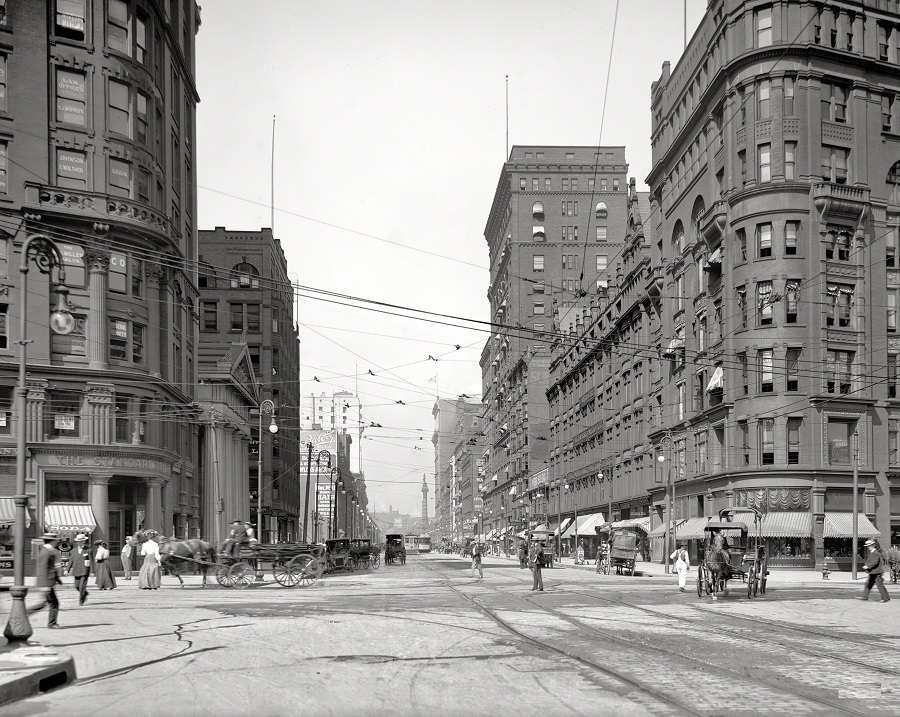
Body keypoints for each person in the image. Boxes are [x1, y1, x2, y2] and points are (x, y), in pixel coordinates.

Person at [28, 533, 63, 628]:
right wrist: (46, 584)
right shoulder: (47, 552)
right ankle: (52, 623)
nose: (57, 542)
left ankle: (27, 613)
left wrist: (57, 579)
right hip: (46, 582)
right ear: (52, 541)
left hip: (47, 581)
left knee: (47, 603)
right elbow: (43, 568)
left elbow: (51, 568)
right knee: (53, 603)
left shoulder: (47, 551)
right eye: (56, 540)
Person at [861, 538, 890, 602]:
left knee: (879, 586)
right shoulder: (873, 552)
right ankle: (865, 596)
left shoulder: (875, 553)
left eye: (869, 546)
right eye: (868, 546)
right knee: (868, 584)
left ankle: (885, 598)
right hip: (873, 572)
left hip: (875, 572)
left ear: (873, 545)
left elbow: (875, 562)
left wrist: (867, 566)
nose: (868, 547)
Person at [67, 533, 91, 605]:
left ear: (84, 541)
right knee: (76, 586)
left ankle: (81, 600)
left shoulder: (88, 550)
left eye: (81, 541)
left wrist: (92, 571)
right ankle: (85, 593)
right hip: (76, 570)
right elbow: (71, 560)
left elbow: (91, 560)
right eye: (78, 541)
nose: (79, 543)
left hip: (84, 570)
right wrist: (67, 569)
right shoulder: (73, 551)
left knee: (82, 586)